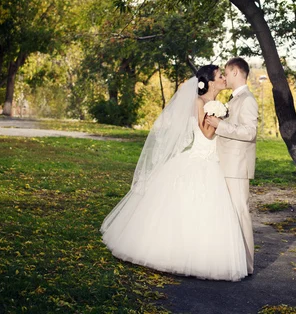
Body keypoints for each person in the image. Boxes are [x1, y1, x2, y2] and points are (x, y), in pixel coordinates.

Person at [100, 65, 248, 282]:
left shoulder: (218, 104)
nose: (224, 79)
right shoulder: (199, 102)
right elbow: (206, 134)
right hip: (199, 159)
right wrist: (219, 117)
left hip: (212, 162)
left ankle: (202, 255)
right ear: (208, 82)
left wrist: (221, 114)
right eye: (219, 76)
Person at [206, 57, 258, 275]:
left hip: (237, 167)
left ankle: (246, 264)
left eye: (226, 73)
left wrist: (221, 125)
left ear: (236, 72)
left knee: (240, 213)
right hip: (226, 164)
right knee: (230, 215)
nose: (224, 77)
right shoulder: (235, 98)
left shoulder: (247, 100)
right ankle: (233, 261)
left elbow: (250, 132)